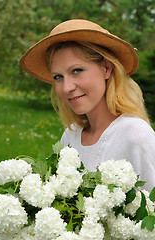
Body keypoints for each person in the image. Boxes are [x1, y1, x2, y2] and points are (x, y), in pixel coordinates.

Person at [20, 19, 155, 191]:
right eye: (58, 77)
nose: (67, 87)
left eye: (77, 71)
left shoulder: (135, 136)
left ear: (106, 68)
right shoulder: (71, 135)